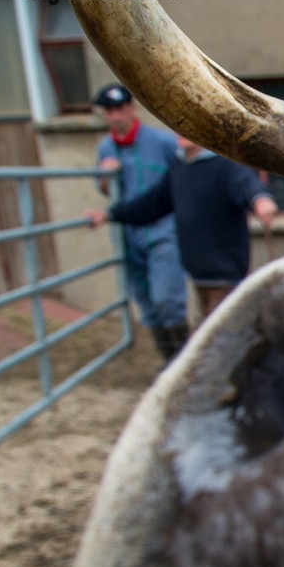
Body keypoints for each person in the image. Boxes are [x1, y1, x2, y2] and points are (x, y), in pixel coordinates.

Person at [87, 136, 278, 324]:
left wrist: (260, 199)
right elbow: (150, 205)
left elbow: (248, 184)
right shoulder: (179, 167)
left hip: (225, 279)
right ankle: (175, 351)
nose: (182, 132)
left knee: (219, 340)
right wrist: (110, 214)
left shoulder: (226, 164)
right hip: (197, 277)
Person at [94, 83, 191, 362]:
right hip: (128, 235)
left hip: (162, 231)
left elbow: (182, 175)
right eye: (109, 110)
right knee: (148, 306)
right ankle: (168, 361)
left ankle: (183, 362)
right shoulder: (106, 148)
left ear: (132, 108)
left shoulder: (162, 142)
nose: (115, 116)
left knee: (167, 299)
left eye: (120, 108)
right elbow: (102, 188)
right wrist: (104, 175)